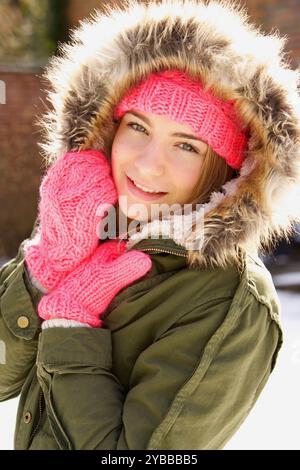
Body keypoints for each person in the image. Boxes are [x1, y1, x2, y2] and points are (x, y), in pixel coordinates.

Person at [0, 0, 299, 450]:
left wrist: (72, 328)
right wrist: (46, 270)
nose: (147, 165)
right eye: (138, 127)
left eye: (186, 146)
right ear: (108, 129)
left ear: (226, 170)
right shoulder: (84, 233)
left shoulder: (229, 303)